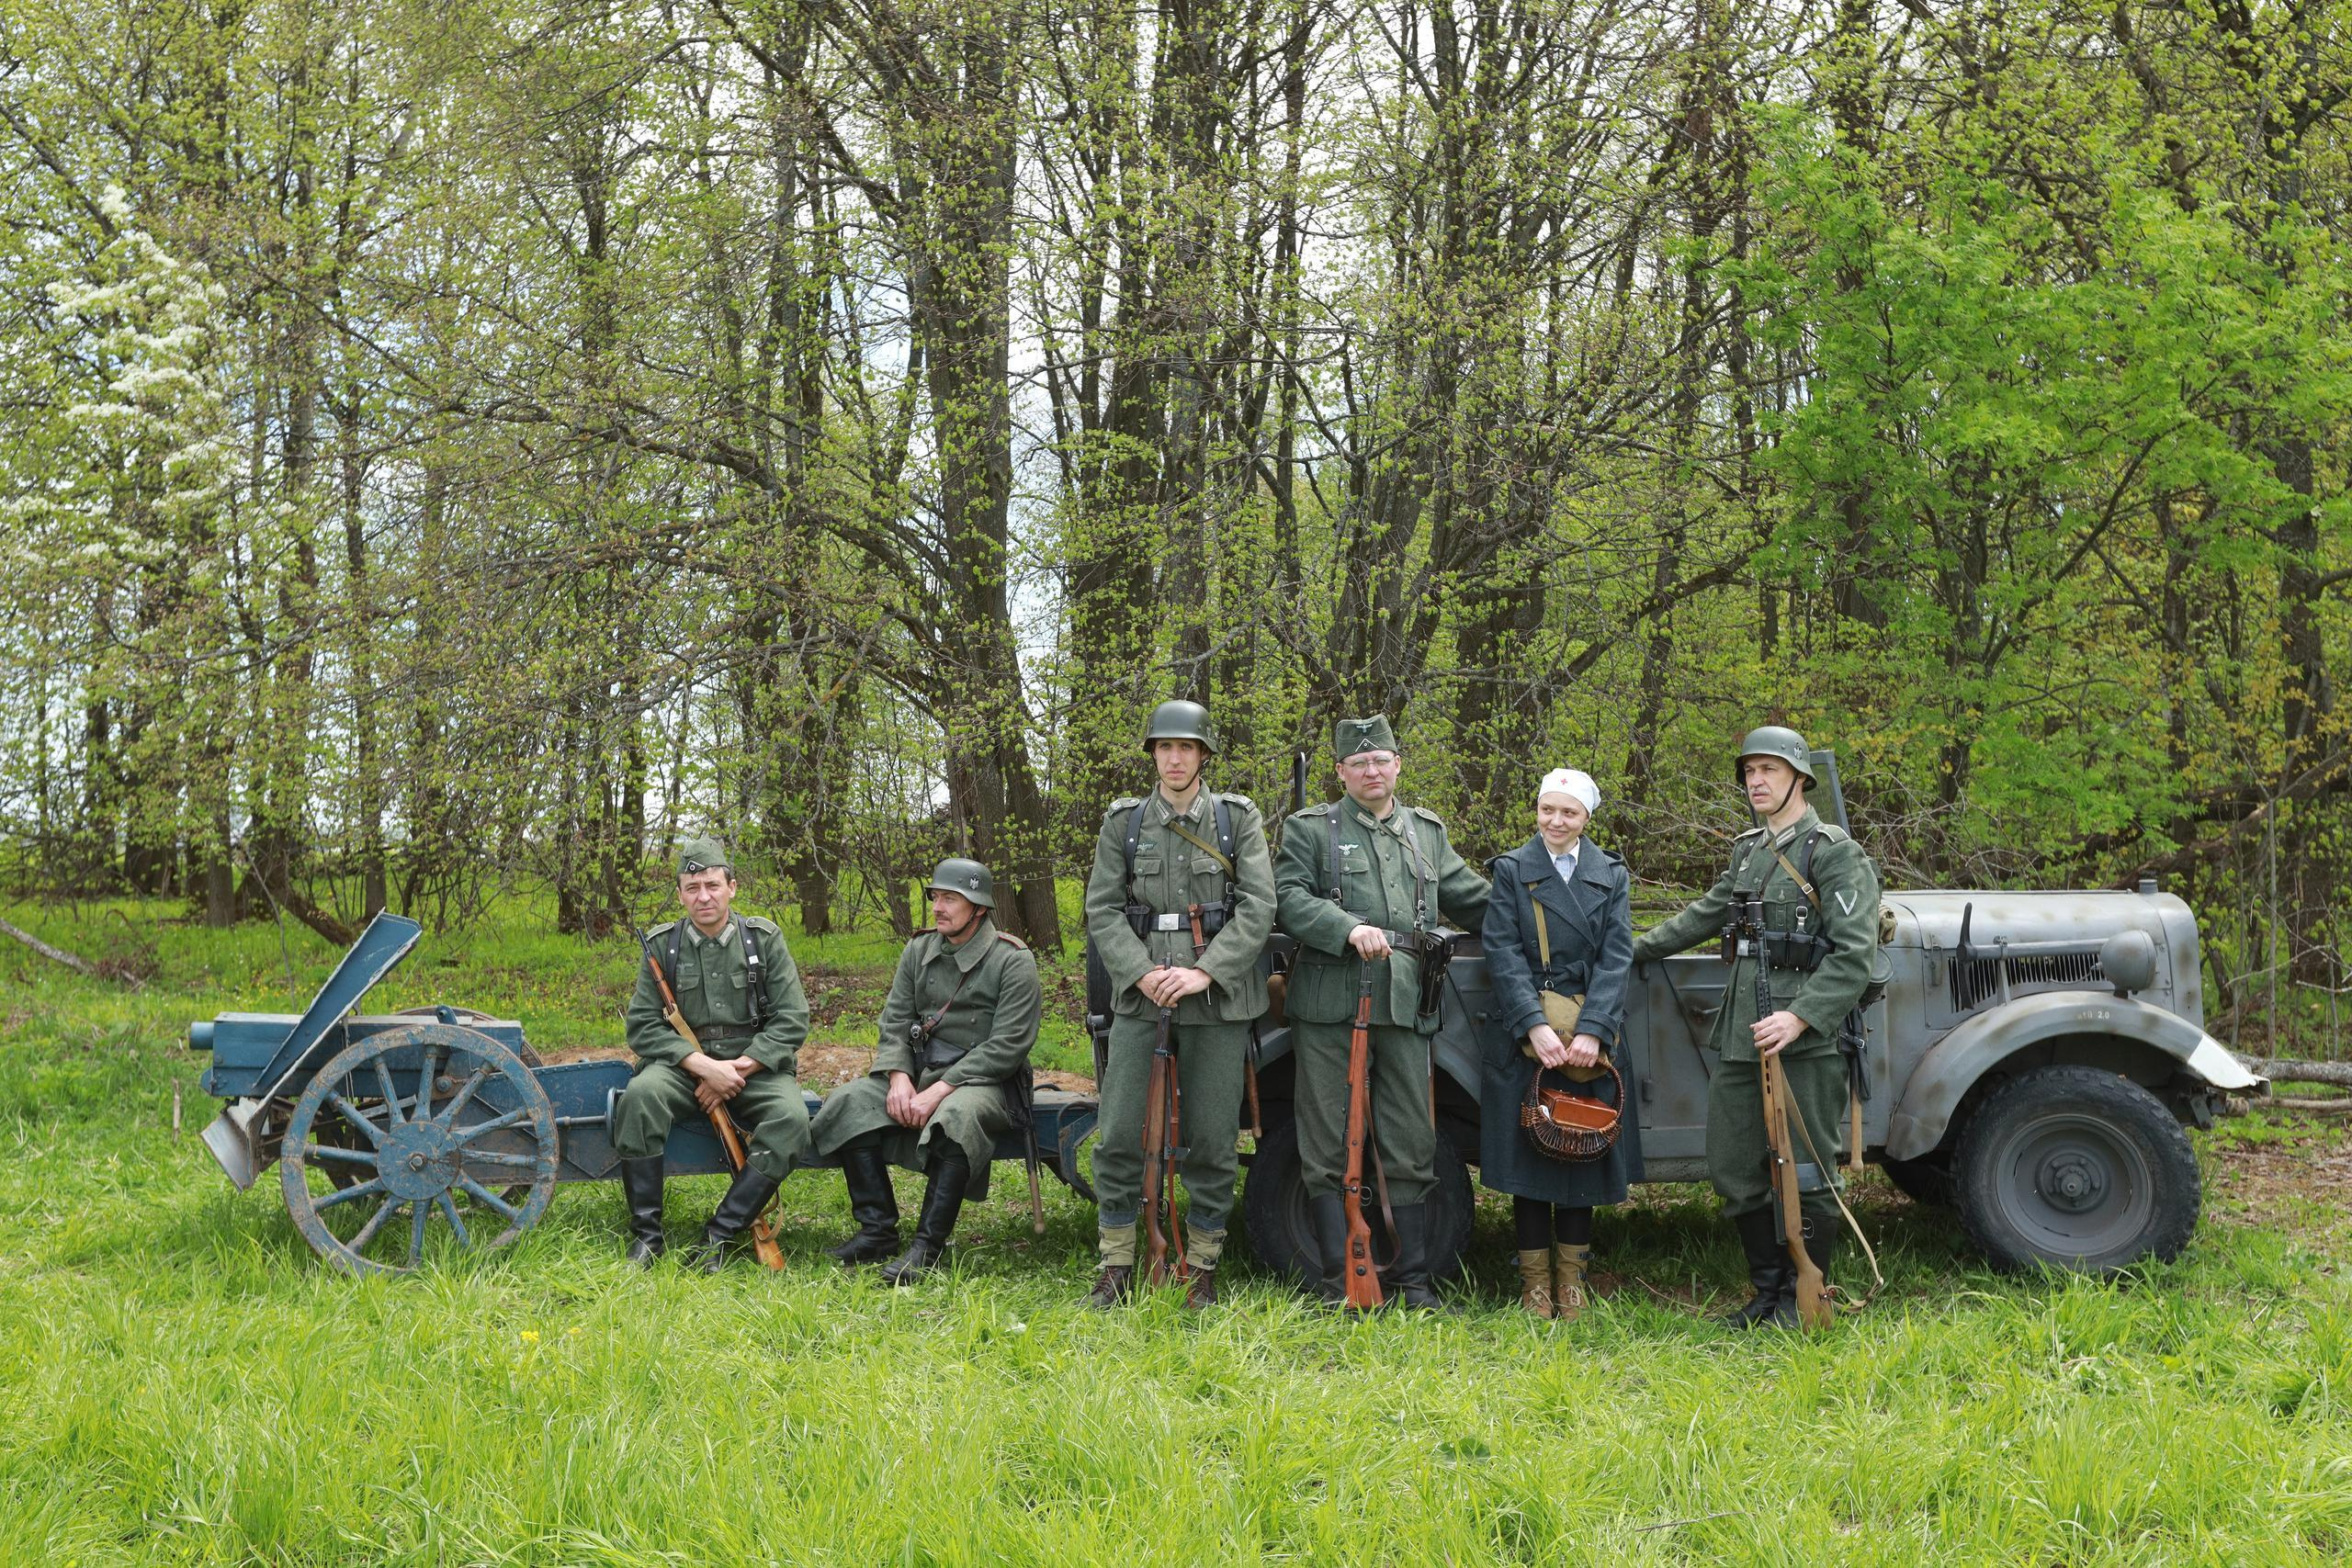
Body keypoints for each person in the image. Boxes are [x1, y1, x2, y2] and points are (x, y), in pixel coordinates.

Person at [1630, 727, 1882, 1327]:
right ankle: (1768, 1294)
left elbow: (1855, 952)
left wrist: (1800, 1016)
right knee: (1736, 1168)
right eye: (1749, 772)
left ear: (1799, 777)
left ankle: (1806, 1295)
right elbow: (1703, 914)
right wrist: (1629, 950)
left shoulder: (1832, 851)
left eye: (1769, 769)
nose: (1757, 781)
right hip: (1744, 1032)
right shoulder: (1748, 850)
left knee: (1808, 1170)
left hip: (1805, 1038)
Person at [1273, 715, 1488, 1309]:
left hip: (1404, 1002)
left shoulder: (1425, 833)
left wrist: (1543, 903)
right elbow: (1287, 897)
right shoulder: (1311, 830)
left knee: (1412, 1137)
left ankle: (1414, 1279)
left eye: (1381, 759)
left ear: (1397, 764)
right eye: (1359, 763)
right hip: (1330, 1001)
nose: (1372, 770)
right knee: (1327, 1136)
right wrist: (1346, 928)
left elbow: (1471, 898)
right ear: (1341, 771)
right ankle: (1335, 1278)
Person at [1080, 699, 1276, 1309]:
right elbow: (1103, 910)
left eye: (1185, 747)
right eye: (1164, 747)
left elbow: (1258, 907)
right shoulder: (1125, 822)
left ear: (1203, 754)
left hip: (1216, 999)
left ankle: (1202, 1266)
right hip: (1142, 1001)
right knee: (1116, 1132)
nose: (1173, 757)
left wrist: (1202, 972)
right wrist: (1140, 974)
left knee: (1214, 1138)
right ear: (1153, 754)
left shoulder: (1236, 820)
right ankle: (1116, 1262)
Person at [810, 858, 1041, 1285]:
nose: (938, 906)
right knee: (849, 1103)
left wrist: (939, 1091)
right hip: (919, 1071)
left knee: (956, 1117)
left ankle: (926, 1249)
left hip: (984, 1081)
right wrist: (898, 1075)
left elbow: (1008, 1045)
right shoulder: (919, 949)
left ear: (979, 908)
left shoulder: (1012, 960)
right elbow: (895, 1020)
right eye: (936, 896)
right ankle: (877, 1230)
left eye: (951, 898)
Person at [1477, 767, 1642, 1319]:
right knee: (1532, 1161)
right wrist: (1533, 1024)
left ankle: (1571, 1285)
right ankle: (1534, 1286)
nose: (1555, 821)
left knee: (1582, 1154)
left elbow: (1618, 956)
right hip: (1529, 1038)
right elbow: (1501, 950)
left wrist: (1594, 1031)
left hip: (1589, 1040)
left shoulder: (1611, 875)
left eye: (1568, 812)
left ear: (1586, 819)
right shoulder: (1511, 871)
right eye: (1548, 809)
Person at [614, 838, 812, 1270]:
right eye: (691, 887)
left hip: (753, 1068)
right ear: (681, 894)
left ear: (732, 888)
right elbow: (643, 1027)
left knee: (792, 1120)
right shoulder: (662, 947)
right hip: (683, 1068)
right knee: (640, 1098)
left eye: (712, 885)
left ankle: (718, 1233)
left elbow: (793, 1018)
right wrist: (703, 1067)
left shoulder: (763, 940)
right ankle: (647, 1238)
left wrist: (740, 1069)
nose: (703, 896)